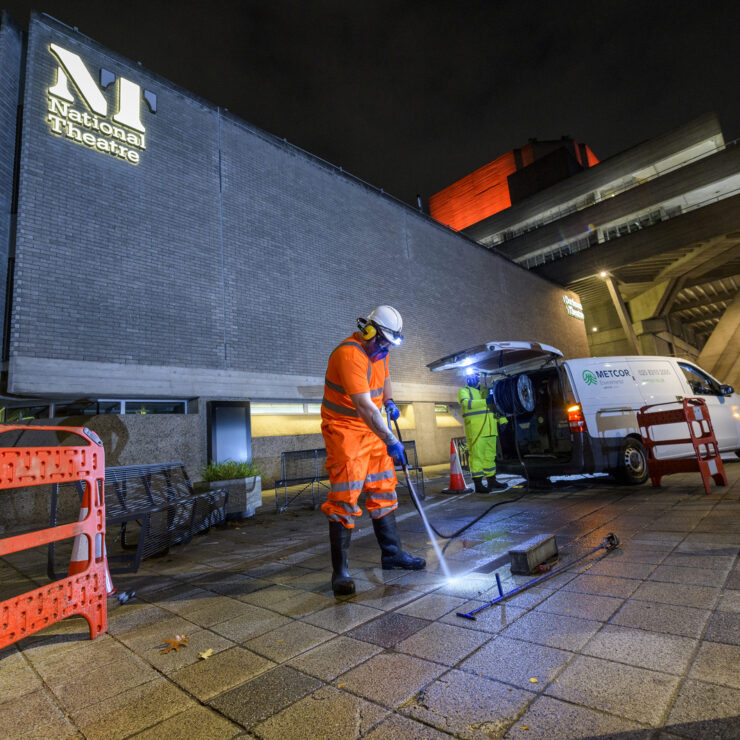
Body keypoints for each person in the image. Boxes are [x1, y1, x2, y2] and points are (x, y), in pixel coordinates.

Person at [321, 305, 425, 596]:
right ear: (368, 330)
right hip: (346, 430)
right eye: (382, 342)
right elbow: (366, 407)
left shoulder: (380, 351)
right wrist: (391, 440)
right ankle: (340, 572)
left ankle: (392, 555)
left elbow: (384, 376)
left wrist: (390, 401)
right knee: (345, 496)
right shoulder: (349, 354)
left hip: (371, 429)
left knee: (383, 489)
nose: (384, 350)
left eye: (389, 345)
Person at [457, 369, 508, 493]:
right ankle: (478, 484)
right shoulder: (464, 391)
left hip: (490, 429)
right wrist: (485, 401)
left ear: (478, 377)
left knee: (490, 457)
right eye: (469, 376)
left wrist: (502, 420)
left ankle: (492, 481)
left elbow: (495, 405)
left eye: (473, 376)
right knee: (477, 457)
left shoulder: (486, 389)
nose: (471, 379)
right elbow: (467, 404)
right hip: (476, 430)